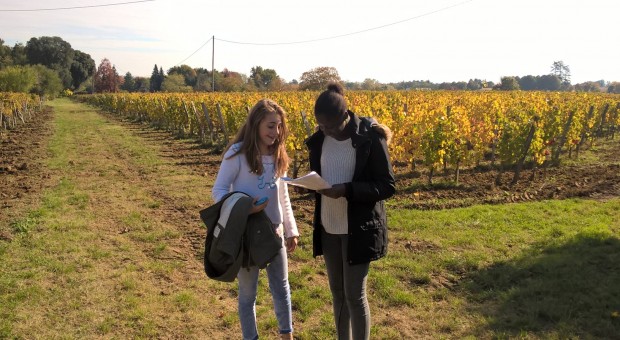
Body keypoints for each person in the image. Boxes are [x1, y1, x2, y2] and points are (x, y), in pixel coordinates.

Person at [305, 83, 395, 339]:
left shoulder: (370, 138)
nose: (327, 131)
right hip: (328, 225)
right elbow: (321, 176)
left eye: (332, 126)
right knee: (337, 293)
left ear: (346, 116)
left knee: (354, 294)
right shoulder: (320, 140)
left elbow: (386, 186)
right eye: (322, 126)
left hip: (358, 228)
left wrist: (347, 189)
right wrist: (310, 186)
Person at [212, 98, 299, 340]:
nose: (276, 132)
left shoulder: (278, 154)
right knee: (248, 294)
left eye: (279, 126)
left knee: (281, 288)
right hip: (246, 235)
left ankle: (286, 336)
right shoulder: (237, 154)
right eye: (271, 126)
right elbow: (218, 191)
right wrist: (244, 208)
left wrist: (290, 228)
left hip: (274, 233)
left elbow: (282, 194)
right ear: (256, 124)